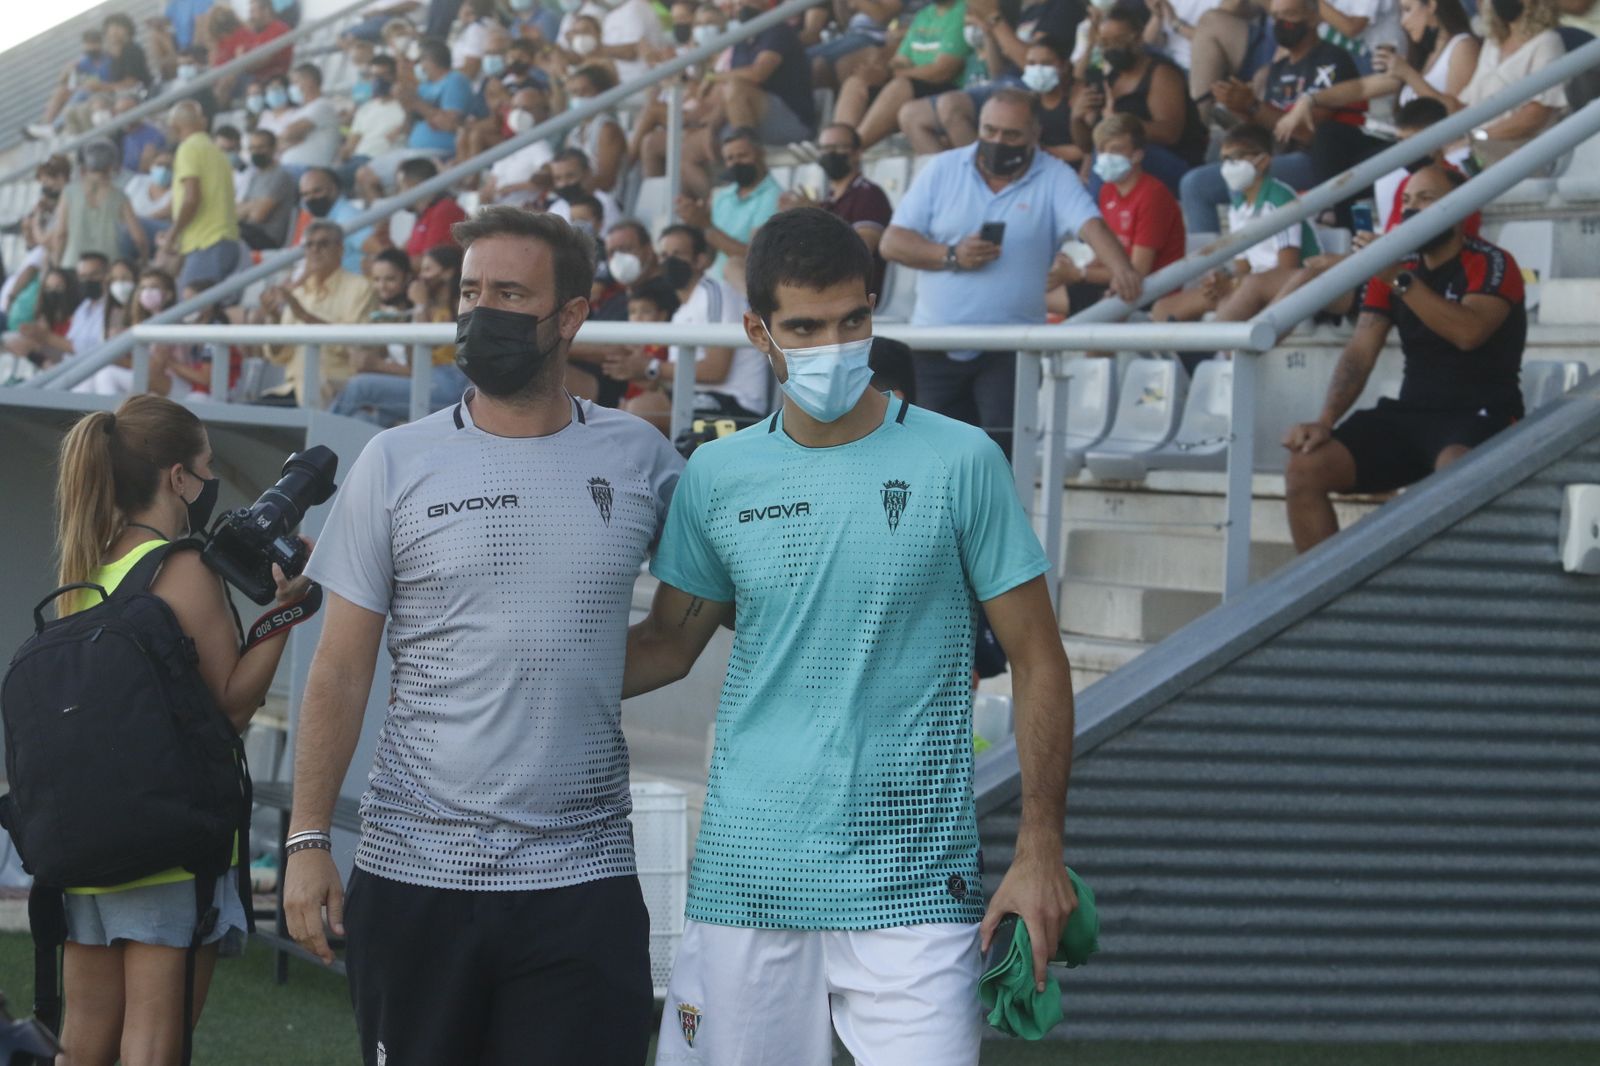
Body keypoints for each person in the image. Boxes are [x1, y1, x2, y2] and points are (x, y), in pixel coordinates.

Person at [626, 206, 1078, 1066]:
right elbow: (664, 646)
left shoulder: (961, 460)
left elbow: (1038, 659)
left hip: (914, 885)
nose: (832, 346)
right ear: (758, 331)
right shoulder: (717, 475)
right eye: (804, 327)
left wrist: (1040, 849)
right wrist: (519, 663)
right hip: (750, 874)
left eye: (851, 320)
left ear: (872, 310)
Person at [283, 206, 681, 1065]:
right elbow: (341, 670)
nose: (480, 312)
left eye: (508, 293)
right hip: (415, 872)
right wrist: (308, 838)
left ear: (570, 316)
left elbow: (679, 637)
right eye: (469, 293)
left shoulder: (641, 458)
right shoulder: (394, 460)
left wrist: (556, 675)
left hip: (584, 878)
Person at [49, 395, 309, 1066]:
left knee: (83, 1040)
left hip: (88, 836)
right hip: (170, 840)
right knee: (153, 1043)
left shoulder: (85, 567)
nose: (211, 479)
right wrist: (287, 613)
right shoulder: (181, 566)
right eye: (207, 465)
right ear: (177, 478)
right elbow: (231, 707)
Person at [880, 89, 1141, 455]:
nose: (998, 141)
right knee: (936, 463)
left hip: (1010, 349)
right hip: (935, 345)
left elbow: (1090, 224)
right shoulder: (942, 168)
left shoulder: (1053, 174)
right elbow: (892, 243)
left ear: (1035, 134)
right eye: (990, 130)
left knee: (1001, 458)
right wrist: (952, 255)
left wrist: (1123, 271)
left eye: (1011, 134)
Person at [1282, 166, 1525, 551]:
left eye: (1427, 199)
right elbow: (1361, 350)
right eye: (1407, 200)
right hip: (1412, 414)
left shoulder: (1492, 262)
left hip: (1483, 414)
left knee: (1455, 469)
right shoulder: (1398, 267)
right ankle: (1328, 588)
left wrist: (1398, 279)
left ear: (1460, 209)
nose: (1412, 210)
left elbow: (1468, 332)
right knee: (1305, 467)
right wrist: (1325, 420)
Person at [1180, 0, 1363, 234]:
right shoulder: (1278, 69)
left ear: (1313, 18)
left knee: (1242, 175)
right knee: (1195, 184)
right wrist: (1239, 108)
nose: (1281, 23)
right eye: (1276, 17)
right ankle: (1211, 257)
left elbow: (1310, 134)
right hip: (1280, 155)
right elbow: (1269, 128)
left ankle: (1253, 251)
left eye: (1289, 14)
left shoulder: (1332, 58)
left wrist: (1253, 106)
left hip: (1322, 161)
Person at [603, 222, 773, 430]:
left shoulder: (714, 293)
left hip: (735, 404)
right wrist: (635, 370)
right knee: (622, 412)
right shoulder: (682, 311)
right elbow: (678, 376)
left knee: (640, 411)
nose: (669, 261)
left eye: (677, 254)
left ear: (700, 260)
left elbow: (716, 370)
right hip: (699, 397)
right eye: (664, 255)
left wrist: (651, 367)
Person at [1152, 123, 1319, 326]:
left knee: (1234, 300)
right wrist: (1222, 282)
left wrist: (1235, 285)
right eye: (1224, 159)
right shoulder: (1238, 206)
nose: (1227, 167)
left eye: (1235, 158)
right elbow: (1242, 267)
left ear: (1263, 161)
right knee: (1163, 309)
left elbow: (1287, 270)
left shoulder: (1280, 200)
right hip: (1249, 285)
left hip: (1284, 288)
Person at [1273, 0, 1479, 147]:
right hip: (1412, 152)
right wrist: (1309, 100)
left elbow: (1454, 113)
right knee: (1330, 136)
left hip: (1447, 153)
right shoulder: (1421, 59)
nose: (1403, 22)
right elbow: (1362, 88)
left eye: (1407, 10)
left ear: (1432, 5)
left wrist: (1408, 75)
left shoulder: (1462, 46)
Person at [1048, 113, 1184, 314]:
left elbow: (1137, 273)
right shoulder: (1108, 190)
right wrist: (1069, 271)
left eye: (1116, 150)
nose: (1106, 157)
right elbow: (1104, 257)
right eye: (1102, 150)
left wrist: (1079, 274)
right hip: (1115, 283)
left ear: (1137, 155)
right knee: (1038, 287)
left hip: (1147, 292)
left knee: (1039, 299)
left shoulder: (1153, 195)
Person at [1069, 3, 1207, 194]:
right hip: (1127, 161)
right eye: (1105, 43)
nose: (1112, 48)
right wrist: (1077, 118)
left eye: (1119, 40)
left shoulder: (1160, 72)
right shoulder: (1110, 79)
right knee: (1106, 150)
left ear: (1138, 37)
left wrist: (1121, 124)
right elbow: (1087, 145)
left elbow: (1170, 133)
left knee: (1114, 149)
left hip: (1175, 162)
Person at [331, 245, 471, 425]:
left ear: (447, 272)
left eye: (428, 270)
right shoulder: (429, 308)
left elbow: (424, 346)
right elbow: (414, 361)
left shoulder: (460, 305)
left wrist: (420, 305)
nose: (421, 277)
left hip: (450, 382)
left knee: (359, 386)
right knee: (363, 419)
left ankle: (314, 440)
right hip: (427, 378)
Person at [255, 221, 378, 407]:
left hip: (335, 392)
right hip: (292, 390)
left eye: (323, 244)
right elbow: (280, 356)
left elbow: (356, 347)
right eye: (309, 245)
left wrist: (305, 316)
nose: (315, 250)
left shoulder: (361, 288)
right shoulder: (299, 293)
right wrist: (273, 318)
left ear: (340, 249)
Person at [835, 0, 974, 148]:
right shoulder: (924, 14)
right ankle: (835, 143)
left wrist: (891, 75)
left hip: (947, 89)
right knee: (857, 82)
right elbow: (901, 60)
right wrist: (881, 72)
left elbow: (942, 71)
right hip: (911, 84)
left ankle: (850, 148)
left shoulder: (964, 11)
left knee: (900, 86)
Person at [780, 123, 894, 298]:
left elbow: (860, 251)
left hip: (852, 297)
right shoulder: (827, 202)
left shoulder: (869, 195)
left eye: (839, 147)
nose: (831, 153)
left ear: (857, 153)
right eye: (825, 148)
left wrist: (815, 218)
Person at [1451, 0, 1568, 167]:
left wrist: (1479, 136)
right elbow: (1465, 102)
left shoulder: (1547, 42)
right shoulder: (1493, 42)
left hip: (1517, 155)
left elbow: (1536, 115)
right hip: (1476, 148)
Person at [357, 38, 475, 198]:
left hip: (440, 151)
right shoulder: (424, 86)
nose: (417, 66)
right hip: (413, 150)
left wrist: (416, 103)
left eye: (420, 61)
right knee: (364, 174)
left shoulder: (455, 80)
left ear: (430, 60)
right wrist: (406, 104)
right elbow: (408, 128)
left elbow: (450, 124)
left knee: (402, 173)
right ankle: (384, 213)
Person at [676, 127, 783, 291]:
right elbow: (711, 253)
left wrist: (706, 226)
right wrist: (694, 220)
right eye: (730, 158)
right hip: (713, 285)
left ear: (761, 154)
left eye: (742, 156)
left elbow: (754, 257)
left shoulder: (775, 197)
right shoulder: (721, 196)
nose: (736, 163)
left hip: (746, 290)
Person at [165, 101, 242, 294]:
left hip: (207, 242)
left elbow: (191, 199)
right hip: (226, 239)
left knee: (193, 308)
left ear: (174, 127)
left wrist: (172, 234)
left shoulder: (188, 149)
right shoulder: (217, 152)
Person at [54, 139, 148, 270]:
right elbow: (138, 238)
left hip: (73, 264)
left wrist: (57, 263)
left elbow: (61, 234)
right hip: (108, 266)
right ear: (111, 166)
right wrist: (144, 260)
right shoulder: (120, 197)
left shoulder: (69, 192)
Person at [340, 54, 411, 188]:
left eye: (384, 75)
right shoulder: (366, 108)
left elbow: (408, 129)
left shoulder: (406, 106)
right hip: (357, 160)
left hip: (380, 161)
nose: (378, 80)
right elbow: (351, 144)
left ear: (394, 77)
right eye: (374, 76)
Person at [214, 0, 296, 105]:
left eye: (253, 11)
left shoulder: (279, 29)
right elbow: (241, 54)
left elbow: (262, 61)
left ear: (266, 11)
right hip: (253, 79)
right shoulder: (257, 33)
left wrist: (241, 61)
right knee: (222, 79)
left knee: (229, 80)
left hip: (270, 80)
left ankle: (217, 107)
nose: (250, 16)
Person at [237, 129, 300, 250]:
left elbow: (257, 216)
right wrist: (252, 206)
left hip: (265, 238)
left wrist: (248, 208)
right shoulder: (254, 175)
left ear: (273, 148)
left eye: (261, 147)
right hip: (247, 232)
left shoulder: (281, 176)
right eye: (252, 148)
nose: (256, 152)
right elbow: (235, 210)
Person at [396, 157, 468, 262]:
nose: (399, 194)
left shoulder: (444, 211)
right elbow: (403, 254)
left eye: (401, 187)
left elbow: (431, 262)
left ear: (416, 185)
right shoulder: (424, 214)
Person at [275, 64, 345, 170]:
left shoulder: (322, 105)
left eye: (295, 82)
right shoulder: (300, 111)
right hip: (290, 168)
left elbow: (288, 133)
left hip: (311, 170)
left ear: (309, 82)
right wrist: (289, 138)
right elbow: (278, 143)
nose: (291, 88)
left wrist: (290, 139)